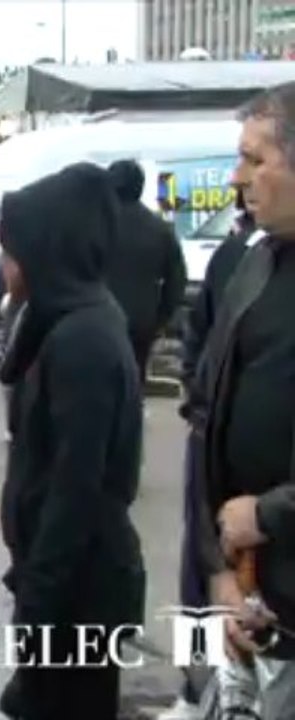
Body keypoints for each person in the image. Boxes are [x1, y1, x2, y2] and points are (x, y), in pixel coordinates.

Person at [0, 163, 145, 720]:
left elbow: (75, 486)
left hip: (78, 595)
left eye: (12, 251)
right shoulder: (63, 322)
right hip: (65, 586)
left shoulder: (83, 339)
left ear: (45, 252)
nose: (4, 265)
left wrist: (39, 601)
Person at [196, 84, 295, 719]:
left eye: (256, 159)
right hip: (255, 593)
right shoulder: (256, 267)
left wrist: (272, 512)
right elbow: (210, 416)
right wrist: (220, 567)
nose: (239, 179)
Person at [163, 190, 259, 720]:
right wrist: (200, 398)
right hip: (216, 443)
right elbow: (198, 330)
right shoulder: (237, 257)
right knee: (200, 567)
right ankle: (195, 685)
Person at [103, 160, 187, 379]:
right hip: (141, 321)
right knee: (134, 380)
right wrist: (161, 317)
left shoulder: (93, 225)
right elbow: (177, 280)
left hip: (97, 318)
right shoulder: (160, 229)